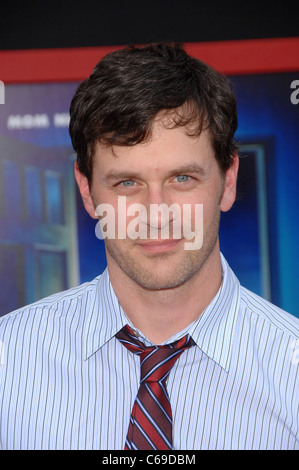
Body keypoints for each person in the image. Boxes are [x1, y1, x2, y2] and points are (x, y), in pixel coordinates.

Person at [0, 43, 298, 451]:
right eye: (127, 183)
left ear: (228, 180)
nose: (155, 214)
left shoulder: (293, 372)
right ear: (87, 190)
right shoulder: (7, 360)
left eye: (182, 179)